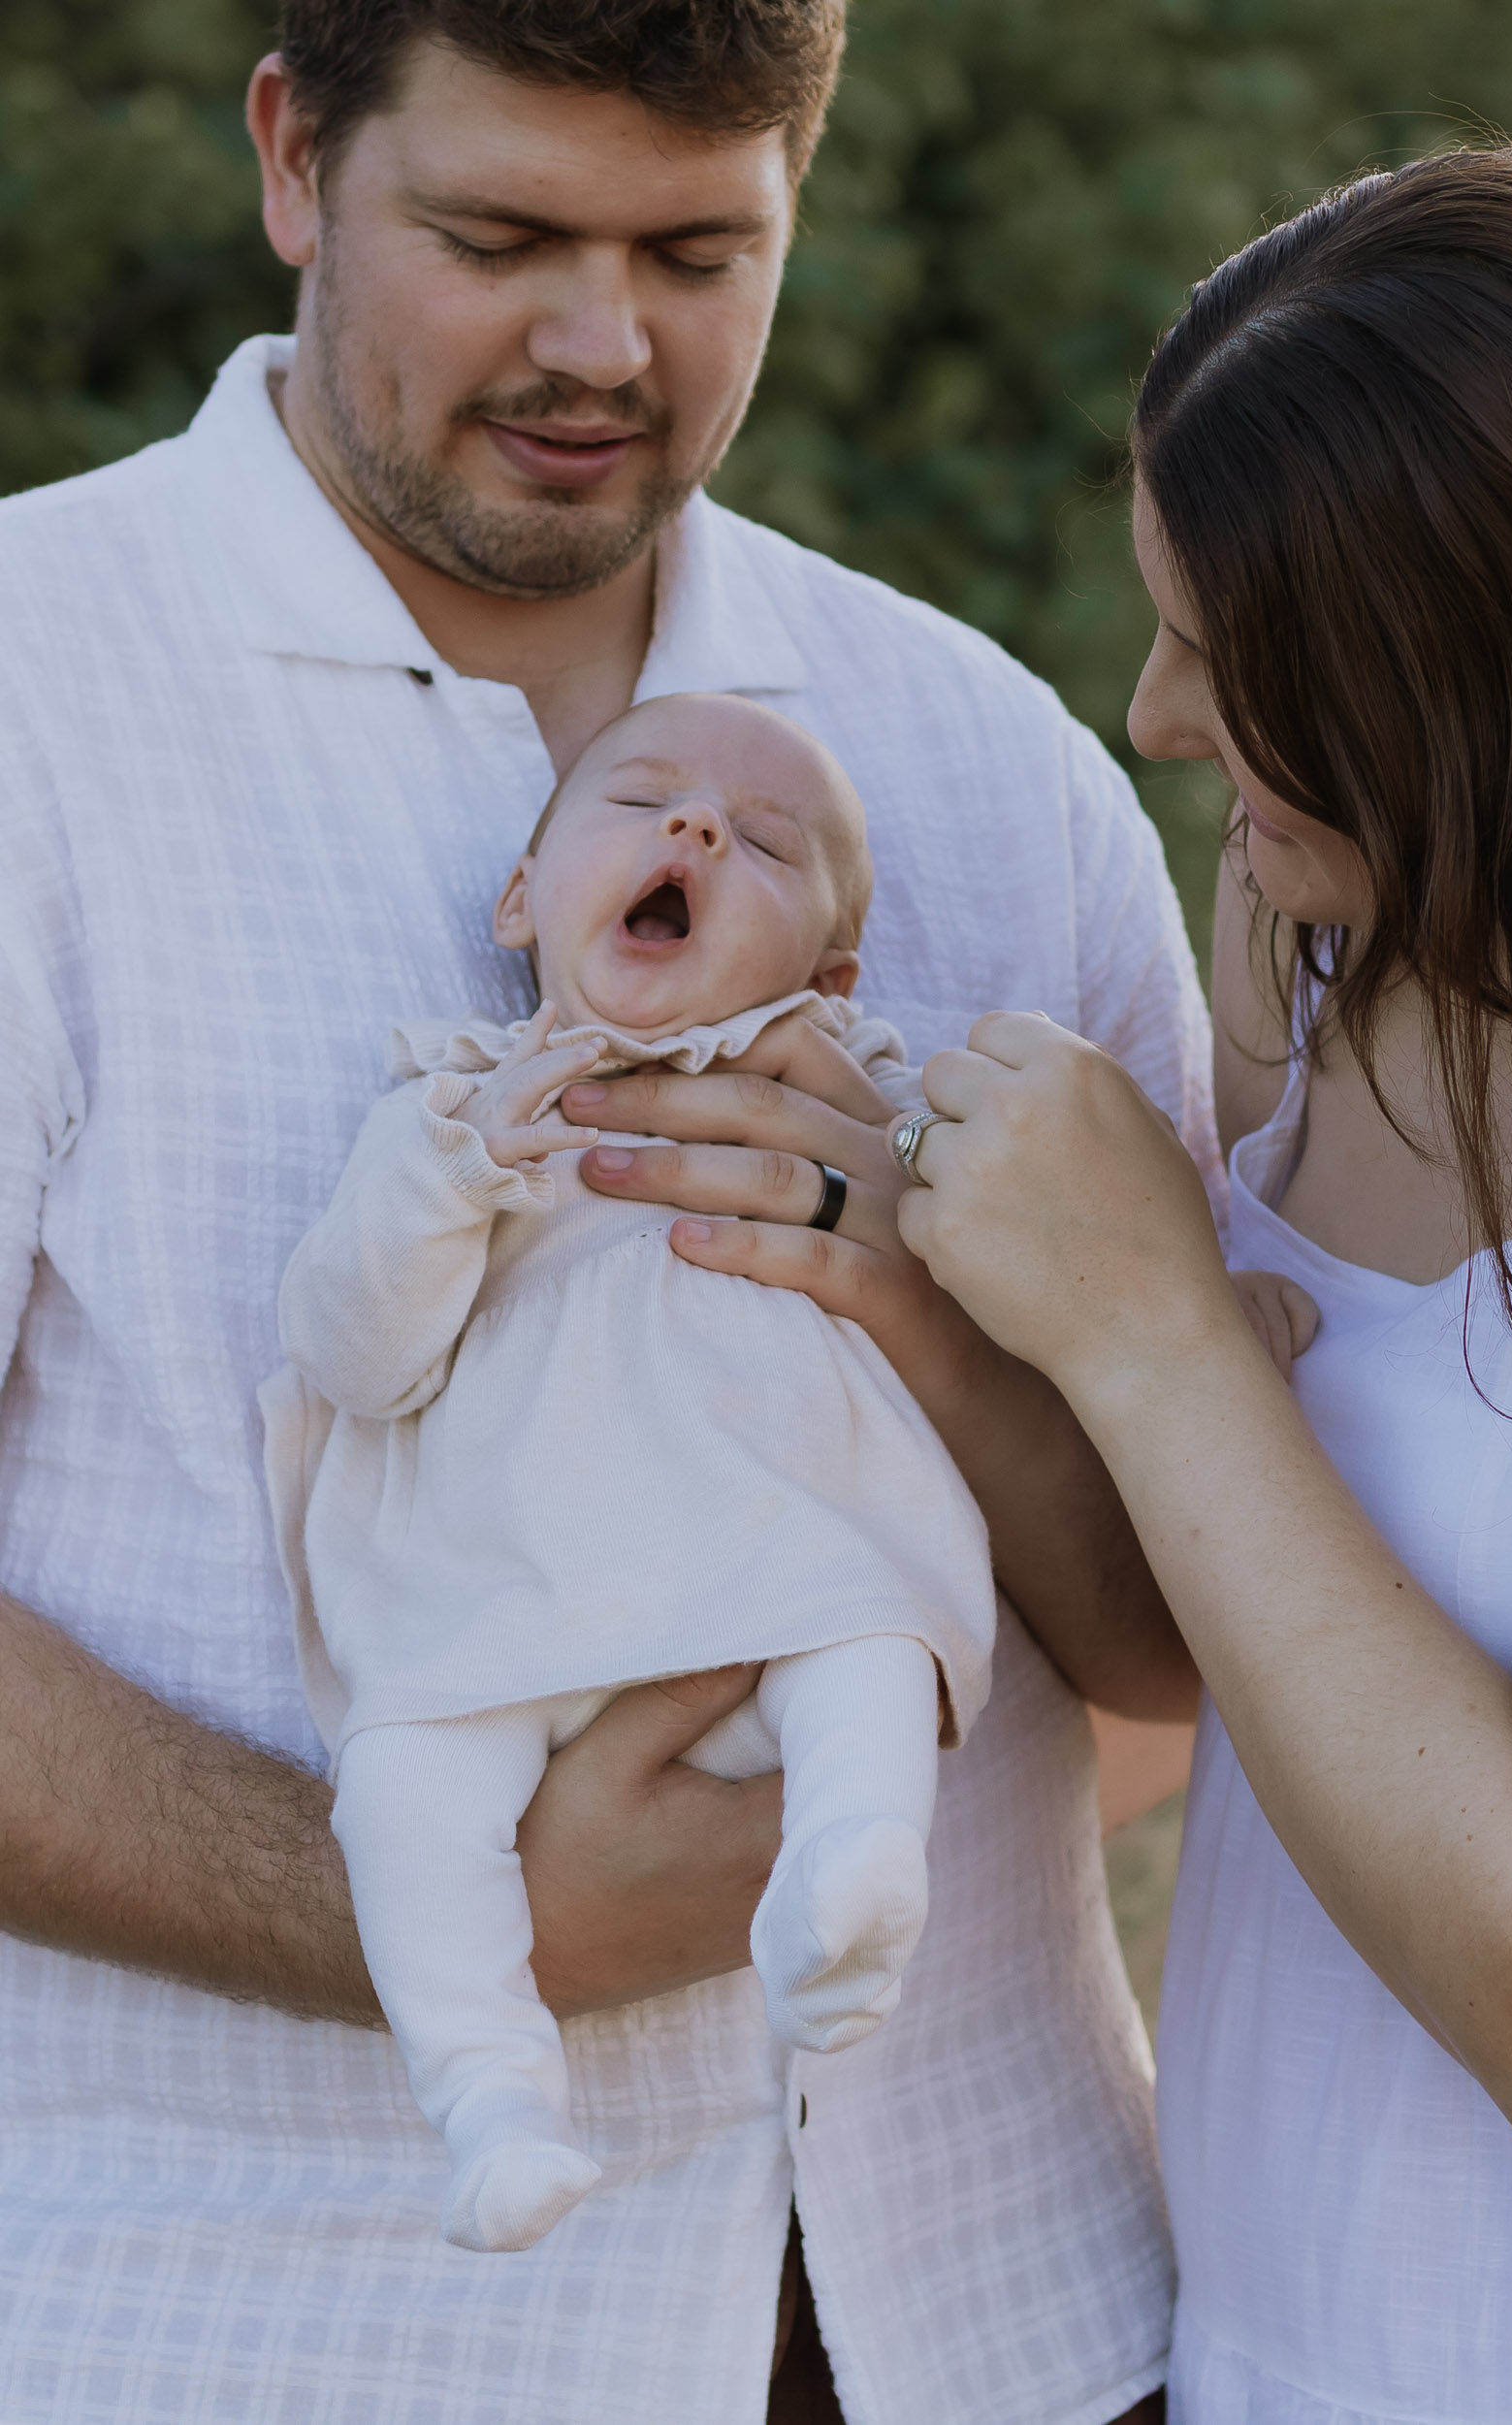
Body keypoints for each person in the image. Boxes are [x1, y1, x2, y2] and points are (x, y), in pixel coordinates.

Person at [0, 2, 1211, 2416]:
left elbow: (1195, 1645)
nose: (599, 343)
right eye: (498, 235)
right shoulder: (30, 698)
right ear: (289, 155)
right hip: (275, 2331)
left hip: (1014, 2318)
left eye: (696, 249)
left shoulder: (989, 766)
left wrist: (943, 1337)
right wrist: (439, 1902)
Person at [895, 146, 1512, 2425]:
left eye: (1240, 659)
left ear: (1496, 675)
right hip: (1258, 2350)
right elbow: (1216, 1641)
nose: (1153, 711)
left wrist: (1146, 1325)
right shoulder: (1312, 948)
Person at [265, 692, 997, 2251]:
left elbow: (998, 1212)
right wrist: (458, 1170)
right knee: (402, 1790)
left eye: (764, 842)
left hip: (773, 1524)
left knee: (866, 1630)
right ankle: (490, 2103)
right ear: (522, 898)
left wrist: (919, 1150)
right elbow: (354, 1352)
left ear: (832, 970)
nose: (695, 830)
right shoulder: (453, 1106)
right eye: (643, 801)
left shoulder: (841, 1086)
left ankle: (856, 1859)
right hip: (504, 1580)